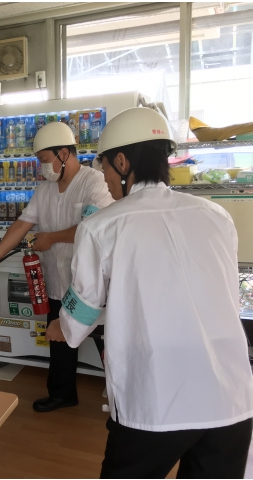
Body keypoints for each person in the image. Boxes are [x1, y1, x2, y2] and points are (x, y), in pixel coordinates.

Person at [46, 107, 253, 478]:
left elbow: (82, 309)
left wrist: (61, 327)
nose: (105, 179)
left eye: (105, 168)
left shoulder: (101, 226)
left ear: (122, 162)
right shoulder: (215, 216)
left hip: (156, 399)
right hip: (230, 398)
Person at [0, 121, 114, 412]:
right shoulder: (46, 189)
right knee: (58, 337)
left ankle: (123, 399)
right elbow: (21, 225)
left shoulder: (94, 182)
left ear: (64, 153)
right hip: (56, 279)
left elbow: (93, 229)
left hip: (89, 284)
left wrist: (50, 238)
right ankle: (62, 394)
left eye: (44, 160)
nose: (42, 168)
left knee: (106, 341)